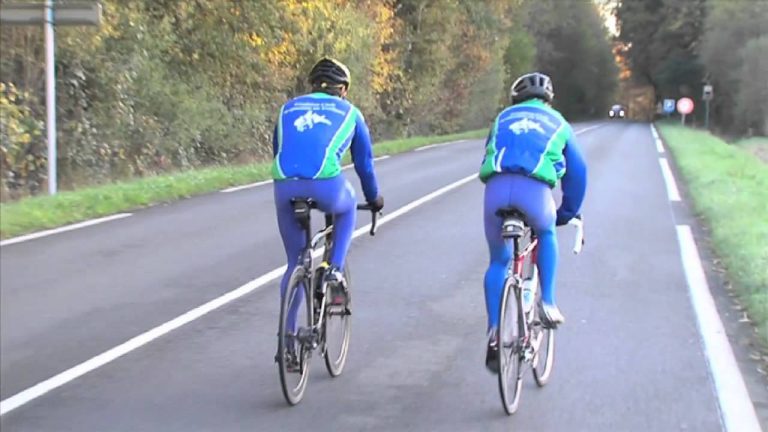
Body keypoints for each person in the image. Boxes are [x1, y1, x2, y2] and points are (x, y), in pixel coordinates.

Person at [479, 72, 587, 373]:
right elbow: (577, 174)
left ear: (516, 99)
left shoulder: (501, 118)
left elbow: (487, 153)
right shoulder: (559, 123)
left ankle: (494, 334)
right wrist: (567, 212)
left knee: (498, 262)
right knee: (546, 232)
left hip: (496, 192)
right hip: (535, 194)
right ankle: (548, 302)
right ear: (549, 99)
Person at [272, 57, 384, 317]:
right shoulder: (351, 113)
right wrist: (374, 197)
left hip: (284, 186)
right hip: (326, 186)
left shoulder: (287, 108)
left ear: (312, 86)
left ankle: (287, 341)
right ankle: (335, 268)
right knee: (348, 205)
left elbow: (279, 150)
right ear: (343, 89)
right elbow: (364, 164)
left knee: (294, 263)